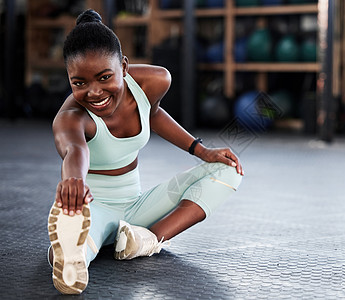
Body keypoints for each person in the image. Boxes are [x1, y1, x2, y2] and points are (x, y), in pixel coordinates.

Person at [47, 9, 243, 295]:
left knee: (229, 169)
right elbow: (75, 150)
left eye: (104, 77)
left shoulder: (154, 81)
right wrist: (73, 180)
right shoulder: (70, 118)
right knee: (79, 248)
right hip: (93, 209)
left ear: (124, 67)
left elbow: (152, 113)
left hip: (137, 208)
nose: (94, 92)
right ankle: (68, 255)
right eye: (79, 83)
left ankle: (147, 238)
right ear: (69, 78)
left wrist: (201, 150)